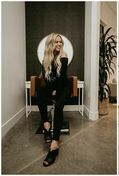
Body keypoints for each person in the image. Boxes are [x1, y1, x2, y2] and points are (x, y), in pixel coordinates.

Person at [37, 33, 71, 167]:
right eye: (56, 42)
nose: (59, 44)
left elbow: (62, 79)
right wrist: (51, 89)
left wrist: (56, 90)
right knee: (39, 91)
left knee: (58, 106)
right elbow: (46, 78)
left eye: (60, 42)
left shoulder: (64, 56)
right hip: (53, 86)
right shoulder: (45, 59)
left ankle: (54, 145)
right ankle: (46, 125)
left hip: (64, 87)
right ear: (50, 43)